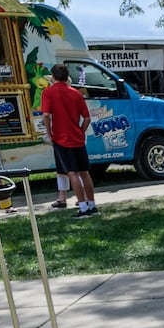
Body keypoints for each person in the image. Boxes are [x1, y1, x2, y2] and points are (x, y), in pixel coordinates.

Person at [42, 63, 99, 218]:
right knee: (84, 172)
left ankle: (82, 207)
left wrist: (49, 132)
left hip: (61, 137)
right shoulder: (75, 93)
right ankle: (92, 204)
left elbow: (46, 115)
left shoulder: (48, 92)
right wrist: (80, 130)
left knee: (71, 173)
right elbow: (87, 117)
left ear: (53, 77)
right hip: (77, 138)